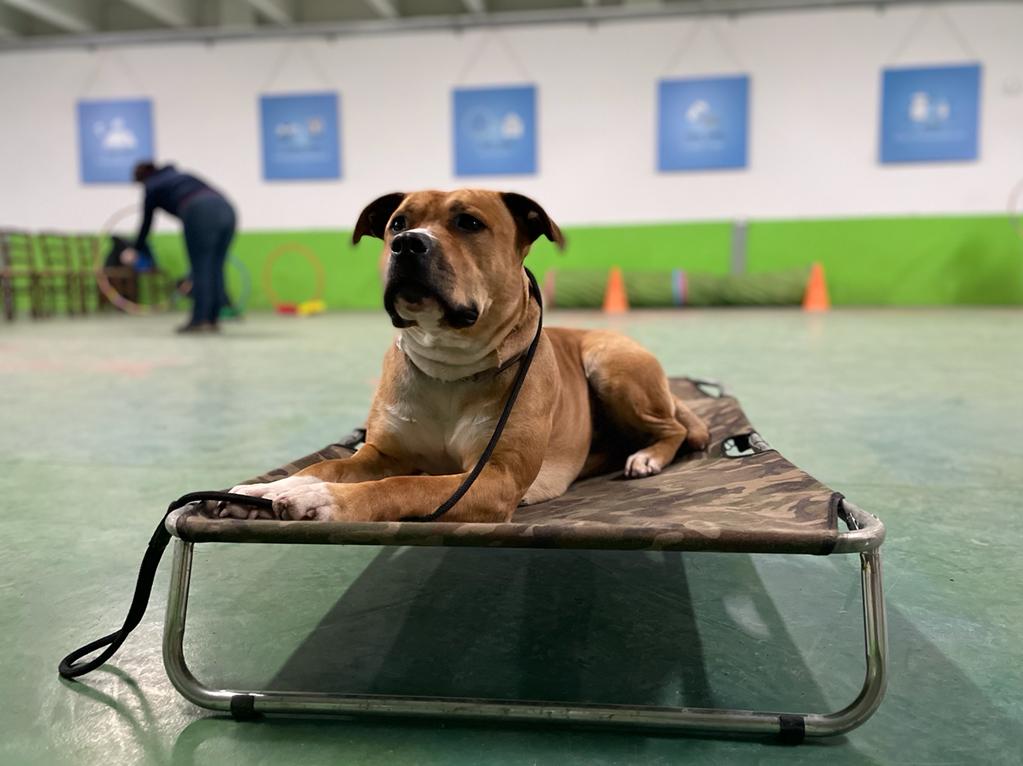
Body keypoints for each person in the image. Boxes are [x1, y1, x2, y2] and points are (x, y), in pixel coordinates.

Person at [128, 161, 236, 333]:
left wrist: (135, 249)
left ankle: (200, 320)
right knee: (215, 266)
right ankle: (212, 318)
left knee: (200, 268)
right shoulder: (179, 176)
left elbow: (146, 222)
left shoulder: (152, 185)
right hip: (227, 209)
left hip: (199, 211)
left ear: (142, 178)